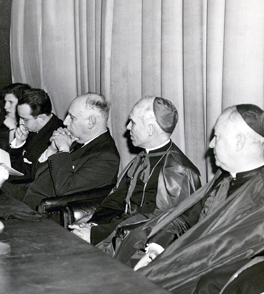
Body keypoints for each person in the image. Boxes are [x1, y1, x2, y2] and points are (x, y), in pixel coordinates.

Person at [123, 104, 264, 294]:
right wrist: (156, 249)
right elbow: (189, 216)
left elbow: (223, 250)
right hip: (185, 257)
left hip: (205, 274)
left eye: (217, 137)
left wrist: (165, 264)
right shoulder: (226, 176)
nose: (211, 144)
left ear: (238, 142)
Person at [69, 96, 201, 245]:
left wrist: (97, 233)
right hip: (120, 232)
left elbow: (158, 225)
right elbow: (117, 199)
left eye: (133, 122)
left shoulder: (177, 171)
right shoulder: (142, 158)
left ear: (150, 129)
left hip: (139, 244)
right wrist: (94, 222)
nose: (128, 127)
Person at [14, 92, 120, 210]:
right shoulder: (79, 139)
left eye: (72, 118)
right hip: (26, 195)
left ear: (91, 122)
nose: (65, 122)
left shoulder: (106, 157)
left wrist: (63, 150)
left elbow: (65, 189)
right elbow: (36, 173)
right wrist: (52, 149)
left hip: (43, 211)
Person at [9, 88, 64, 181]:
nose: (20, 123)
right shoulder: (34, 127)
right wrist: (19, 143)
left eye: (24, 119)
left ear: (41, 118)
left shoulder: (57, 137)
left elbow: (28, 174)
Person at [0, 83, 31, 151]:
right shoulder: (5, 125)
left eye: (11, 102)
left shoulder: (31, 127)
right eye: (5, 102)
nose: (5, 107)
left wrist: (12, 129)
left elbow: (13, 157)